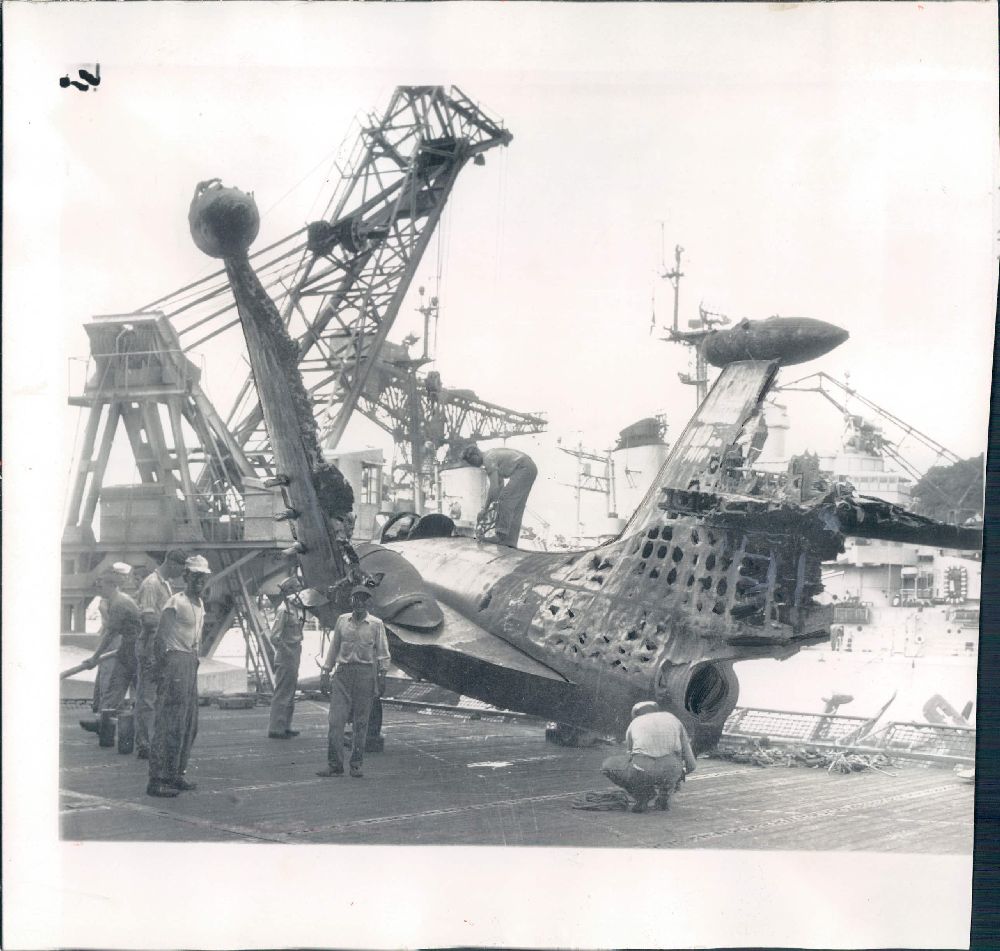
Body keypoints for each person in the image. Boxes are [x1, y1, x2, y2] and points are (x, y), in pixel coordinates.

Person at [146, 555, 211, 798]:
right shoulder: (176, 602)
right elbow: (160, 638)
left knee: (189, 723)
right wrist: (162, 668)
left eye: (203, 577)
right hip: (175, 661)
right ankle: (157, 779)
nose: (199, 581)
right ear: (186, 576)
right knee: (169, 722)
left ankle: (176, 773)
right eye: (195, 576)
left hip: (190, 661)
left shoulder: (200, 603)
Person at [316, 585, 390, 779]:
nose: (359, 603)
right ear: (351, 601)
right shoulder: (342, 621)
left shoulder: (376, 624)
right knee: (335, 721)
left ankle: (356, 764)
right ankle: (335, 765)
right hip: (342, 675)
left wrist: (382, 676)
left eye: (364, 599)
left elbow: (383, 653)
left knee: (361, 723)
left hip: (365, 675)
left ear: (369, 603)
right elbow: (333, 648)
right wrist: (325, 672)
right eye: (356, 598)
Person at [134, 549, 188, 759]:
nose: (182, 574)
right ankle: (144, 743)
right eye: (181, 569)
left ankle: (152, 739)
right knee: (147, 697)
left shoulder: (165, 583)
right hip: (150, 646)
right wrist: (173, 623)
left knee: (157, 696)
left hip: (160, 645)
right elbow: (148, 619)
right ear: (172, 563)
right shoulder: (152, 584)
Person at [600, 700, 698, 813]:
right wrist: (680, 775)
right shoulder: (672, 718)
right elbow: (689, 759)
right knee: (672, 766)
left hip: (644, 769)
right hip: (671, 769)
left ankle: (642, 796)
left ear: (636, 714)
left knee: (607, 766)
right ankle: (665, 795)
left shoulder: (634, 723)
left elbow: (631, 755)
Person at [83, 564, 141, 719]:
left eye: (101, 586)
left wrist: (94, 658)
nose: (99, 589)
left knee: (139, 691)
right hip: (127, 649)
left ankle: (111, 722)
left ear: (112, 585)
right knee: (115, 688)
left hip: (137, 651)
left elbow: (110, 634)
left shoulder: (119, 603)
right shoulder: (117, 600)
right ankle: (104, 723)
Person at [460, 444, 537, 548]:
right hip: (530, 467)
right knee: (516, 506)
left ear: (476, 455)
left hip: (523, 468)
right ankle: (511, 541)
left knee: (505, 499)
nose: (472, 464)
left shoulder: (488, 459)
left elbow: (494, 487)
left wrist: (485, 509)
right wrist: (496, 504)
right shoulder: (491, 456)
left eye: (471, 461)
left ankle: (500, 536)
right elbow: (499, 486)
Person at [267, 575, 305, 739]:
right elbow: (274, 636)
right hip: (286, 654)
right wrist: (286, 650)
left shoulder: (295, 608)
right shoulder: (283, 610)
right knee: (282, 691)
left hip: (295, 652)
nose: (299, 591)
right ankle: (276, 728)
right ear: (289, 591)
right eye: (297, 588)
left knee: (290, 690)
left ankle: (285, 725)